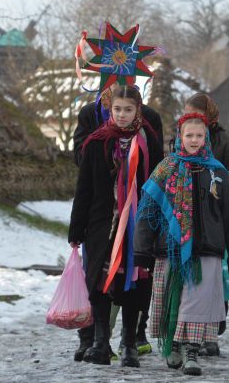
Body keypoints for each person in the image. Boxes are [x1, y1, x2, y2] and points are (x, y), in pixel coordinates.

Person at [134, 112, 229, 376]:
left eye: (199, 136)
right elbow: (148, 212)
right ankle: (172, 343)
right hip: (169, 249)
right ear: (180, 137)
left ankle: (192, 350)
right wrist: (142, 250)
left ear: (205, 137)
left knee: (198, 301)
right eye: (189, 135)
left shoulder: (217, 171)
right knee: (171, 299)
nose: (194, 140)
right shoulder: (165, 169)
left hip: (207, 249)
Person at [68, 85, 164, 367]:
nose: (122, 115)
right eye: (117, 109)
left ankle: (130, 343)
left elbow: (160, 185)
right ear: (110, 110)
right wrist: (76, 228)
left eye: (128, 110)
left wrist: (158, 223)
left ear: (139, 110)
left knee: (134, 281)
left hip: (139, 222)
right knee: (99, 281)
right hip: (102, 224)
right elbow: (83, 188)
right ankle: (100, 342)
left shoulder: (149, 143)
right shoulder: (97, 142)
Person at [182, 92, 229, 355]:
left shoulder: (226, 142)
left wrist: (215, 188)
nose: (191, 119)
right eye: (187, 114)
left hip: (214, 219)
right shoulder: (182, 139)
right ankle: (191, 333)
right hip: (187, 219)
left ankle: (212, 330)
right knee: (192, 280)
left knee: (216, 278)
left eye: (196, 114)